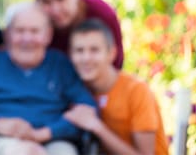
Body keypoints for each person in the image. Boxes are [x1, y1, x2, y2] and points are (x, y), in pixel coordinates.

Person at [0, 1, 97, 155]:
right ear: (7, 34)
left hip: (52, 140)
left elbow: (88, 110)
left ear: (48, 35)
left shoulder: (60, 65)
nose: (27, 38)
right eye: (20, 31)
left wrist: (46, 133)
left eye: (35, 31)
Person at [65, 18, 169, 155]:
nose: (86, 58)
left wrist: (97, 126)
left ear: (111, 53)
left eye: (94, 50)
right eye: (79, 51)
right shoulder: (76, 91)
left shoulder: (136, 90)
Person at [33, 0, 124, 69]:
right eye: (46, 2)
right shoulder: (35, 20)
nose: (55, 10)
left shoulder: (102, 14)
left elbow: (116, 62)